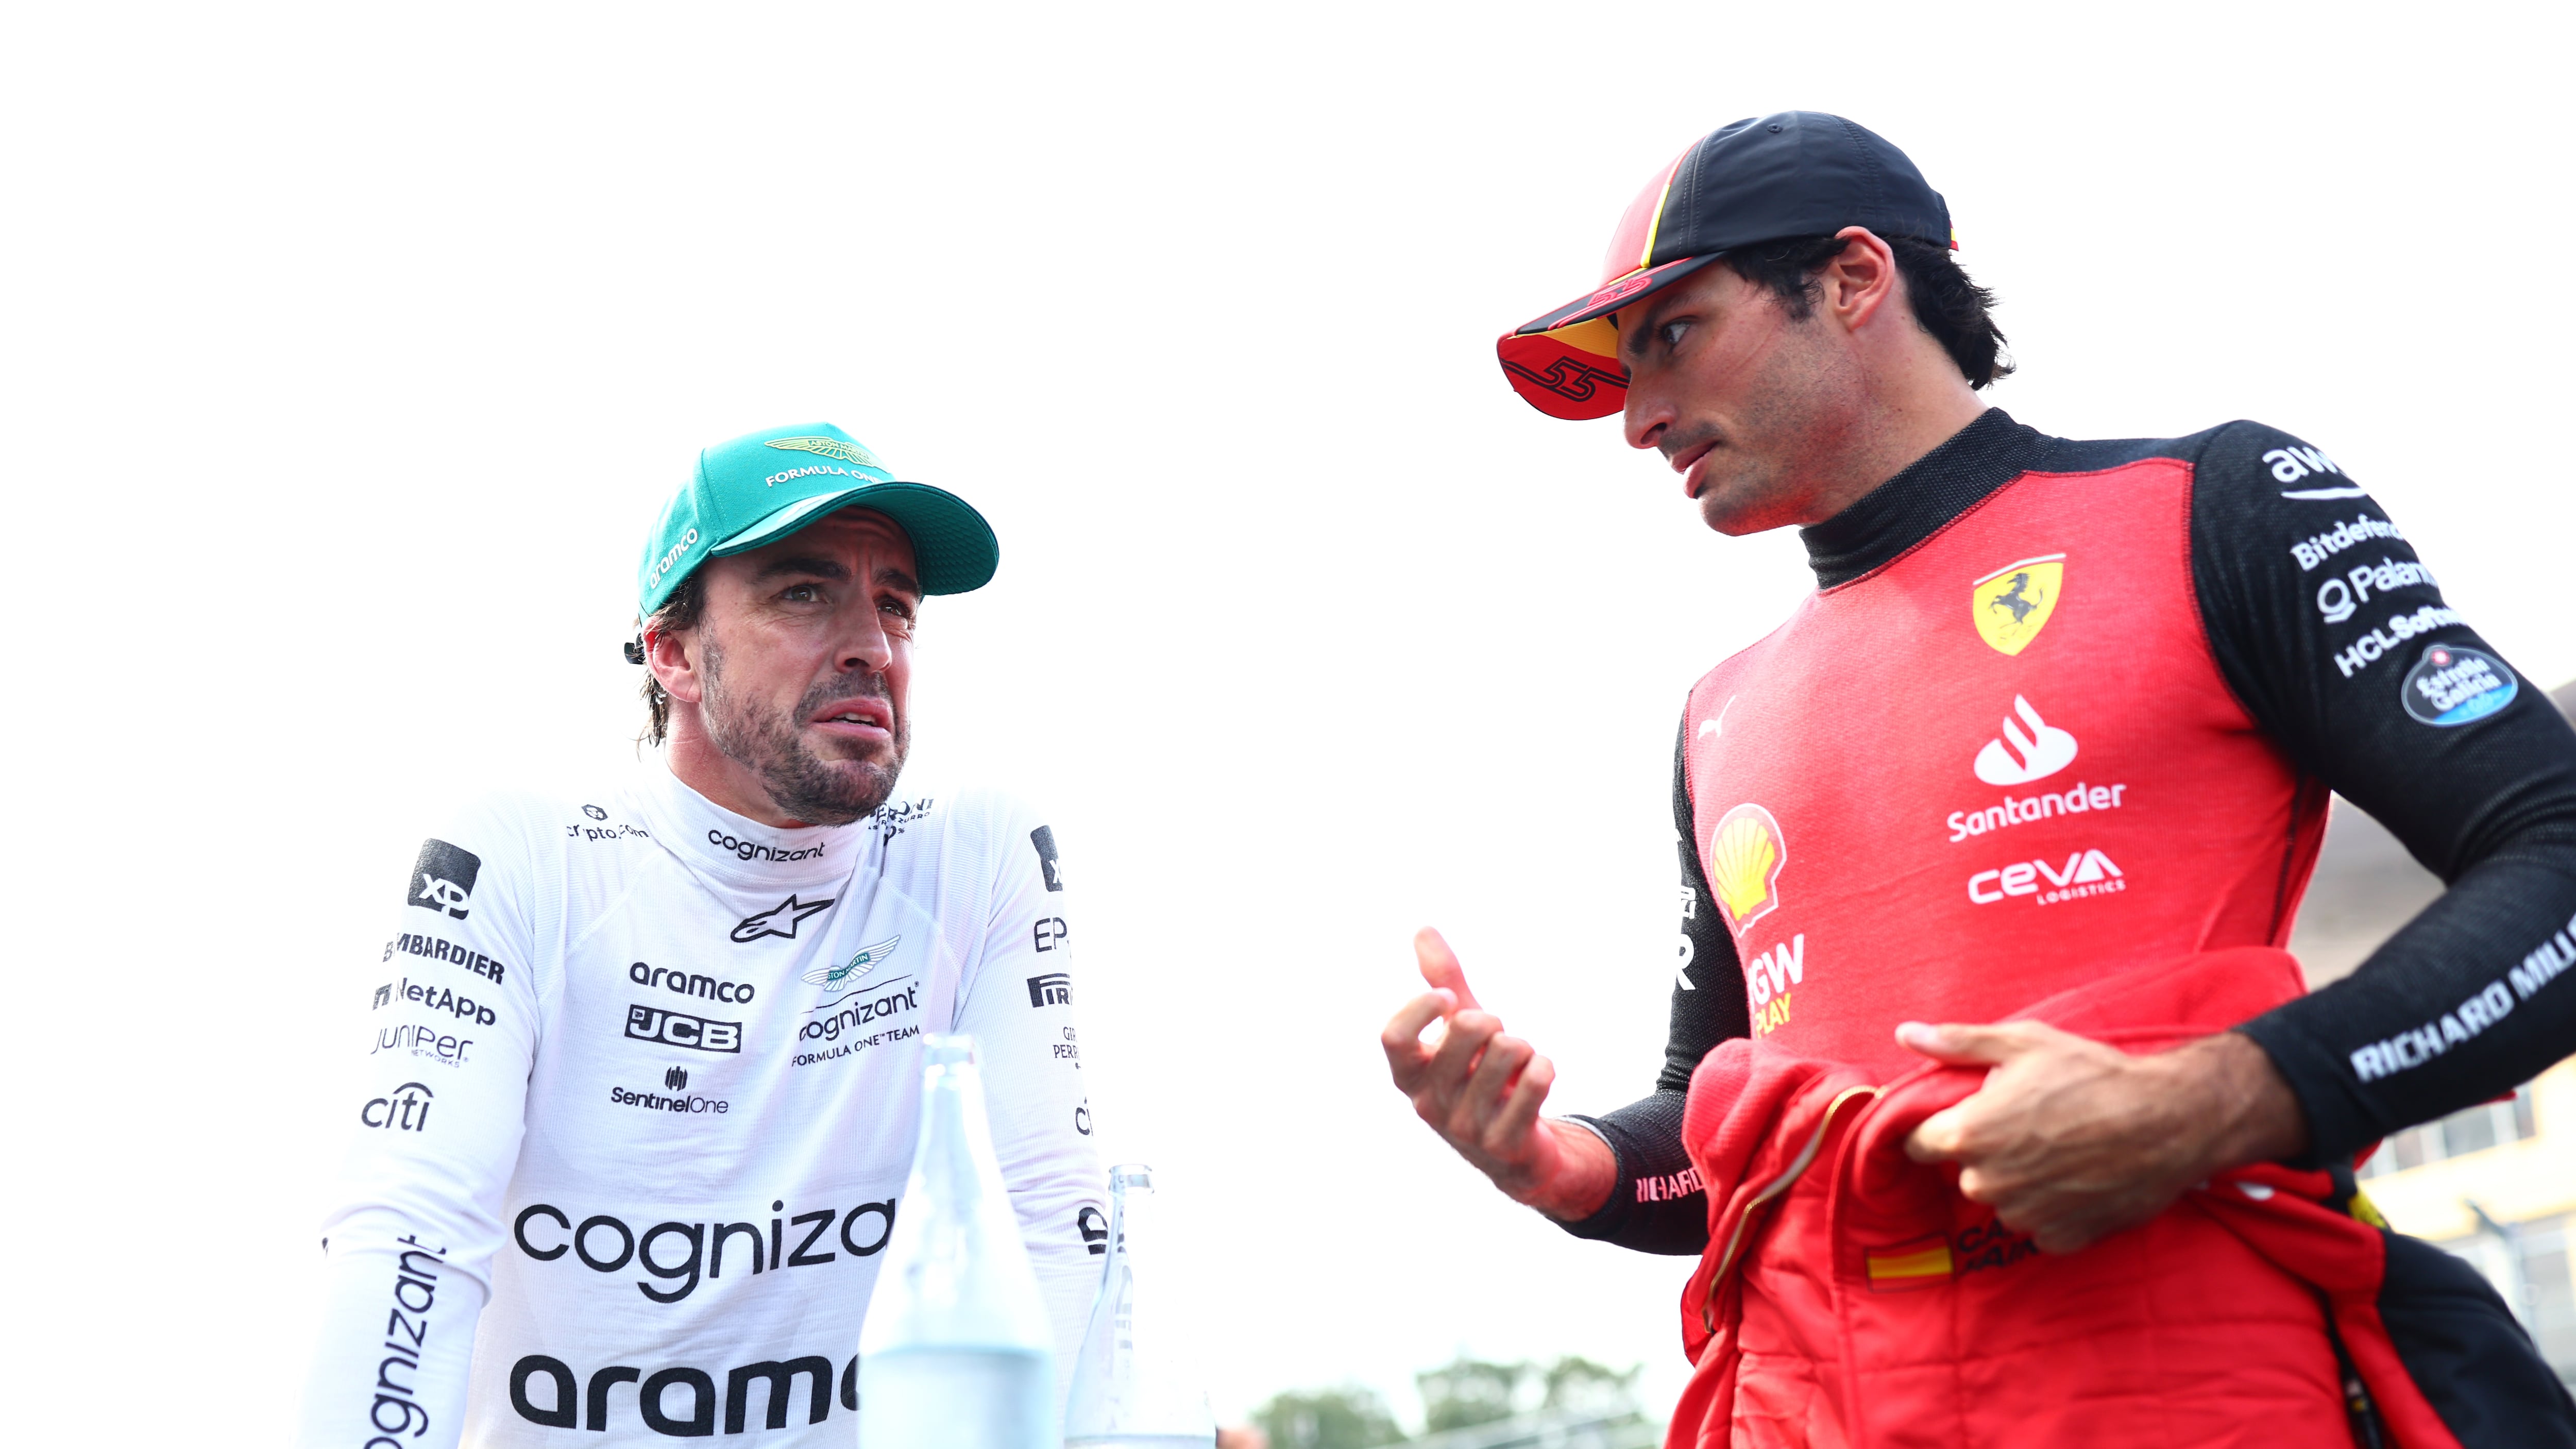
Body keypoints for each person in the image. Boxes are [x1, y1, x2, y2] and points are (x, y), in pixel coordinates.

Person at [1382, 113, 2576, 1445]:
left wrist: (2227, 1092)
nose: (1639, 418)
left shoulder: (2217, 501)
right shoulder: (1715, 716)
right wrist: (1567, 1163)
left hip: (2177, 1371)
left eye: (1671, 333)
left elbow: (2558, 851)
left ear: (1849, 279)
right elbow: (1720, 1123)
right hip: (1816, 1397)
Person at [295, 423, 1104, 1446]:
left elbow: (1054, 1221)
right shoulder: (525, 852)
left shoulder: (972, 853)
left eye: (896, 602)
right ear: (673, 651)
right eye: (804, 592)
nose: (873, 645)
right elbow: (408, 1234)